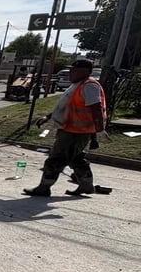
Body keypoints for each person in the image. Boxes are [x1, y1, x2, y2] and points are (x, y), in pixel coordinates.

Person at [24, 58, 108, 197]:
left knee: (56, 158)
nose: (70, 72)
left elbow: (96, 108)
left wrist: (99, 130)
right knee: (76, 158)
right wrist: (48, 117)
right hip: (71, 129)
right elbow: (67, 105)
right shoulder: (78, 84)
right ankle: (86, 185)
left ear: (85, 71)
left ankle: (44, 187)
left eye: (74, 70)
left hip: (76, 132)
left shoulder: (89, 86)